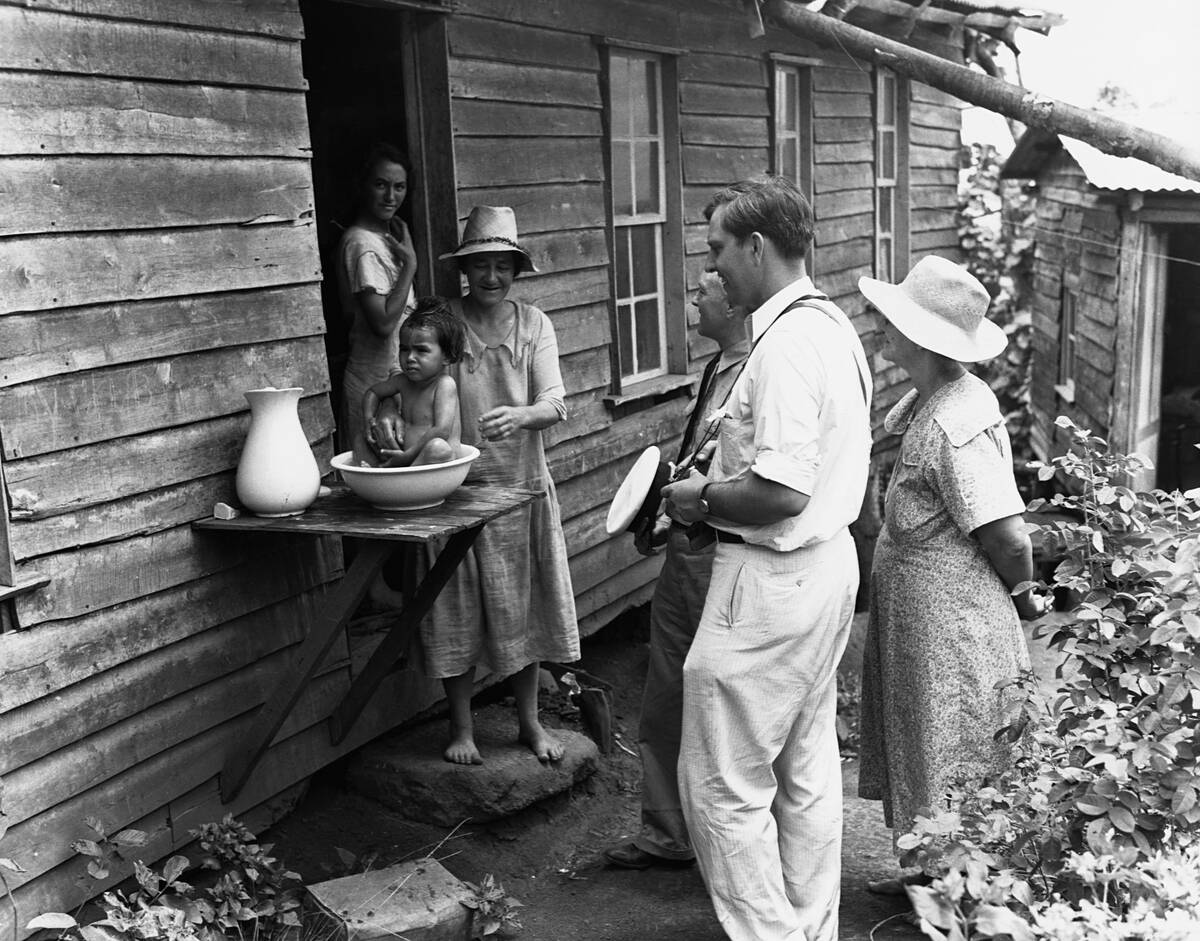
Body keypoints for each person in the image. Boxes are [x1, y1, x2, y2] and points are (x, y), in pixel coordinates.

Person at [660, 176, 872, 941]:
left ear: (756, 246)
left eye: (718, 250)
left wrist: (699, 500)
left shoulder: (784, 344)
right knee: (804, 768)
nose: (713, 267)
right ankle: (811, 929)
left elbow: (781, 490)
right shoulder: (834, 326)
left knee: (721, 782)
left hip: (773, 578)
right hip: (827, 565)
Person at [856, 255, 1040, 892]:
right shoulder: (933, 397)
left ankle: (960, 894)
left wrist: (1027, 601)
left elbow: (1008, 536)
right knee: (924, 744)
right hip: (922, 620)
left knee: (950, 750)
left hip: (951, 623)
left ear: (922, 339)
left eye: (891, 320)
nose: (879, 327)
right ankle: (927, 871)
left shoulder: (956, 421)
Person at [376, 206, 579, 766]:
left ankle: (530, 723)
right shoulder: (444, 322)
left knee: (525, 607)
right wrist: (391, 413)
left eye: (502, 266)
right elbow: (407, 379)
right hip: (453, 489)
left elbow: (557, 402)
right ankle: (462, 728)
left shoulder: (535, 323)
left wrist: (522, 416)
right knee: (454, 608)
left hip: (520, 486)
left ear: (516, 270)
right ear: (466, 269)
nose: (492, 277)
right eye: (481, 266)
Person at [604, 272, 750, 871]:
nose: (692, 298)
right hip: (685, 554)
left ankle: (732, 842)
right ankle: (665, 831)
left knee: (724, 699)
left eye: (704, 289)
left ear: (735, 299)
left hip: (726, 554)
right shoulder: (714, 370)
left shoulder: (759, 374)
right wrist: (657, 513)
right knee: (665, 693)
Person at [336, 142, 418, 455]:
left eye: (399, 187)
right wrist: (410, 265)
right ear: (363, 185)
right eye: (381, 185)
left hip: (394, 381)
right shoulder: (360, 243)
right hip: (372, 382)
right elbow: (383, 322)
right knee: (374, 475)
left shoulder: (387, 241)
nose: (390, 196)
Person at [358, 298, 464, 468]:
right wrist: (368, 420)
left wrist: (407, 457)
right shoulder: (402, 381)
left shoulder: (444, 385)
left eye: (421, 350)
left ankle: (395, 477)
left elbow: (442, 431)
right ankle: (375, 474)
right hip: (406, 458)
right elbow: (373, 392)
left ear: (447, 356)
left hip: (439, 464)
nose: (410, 358)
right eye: (404, 349)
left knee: (438, 447)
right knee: (362, 439)